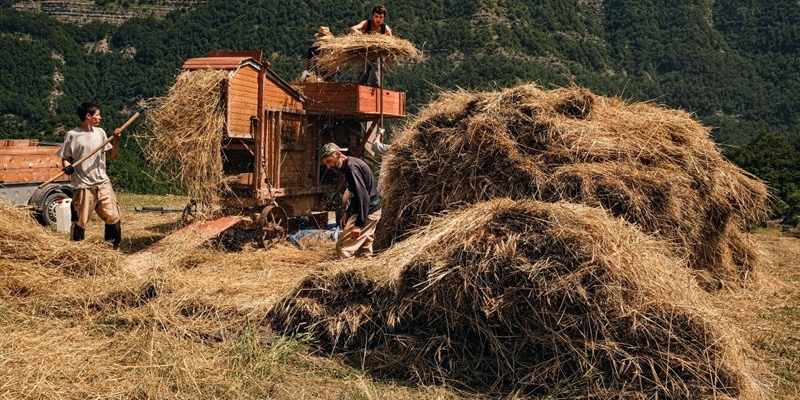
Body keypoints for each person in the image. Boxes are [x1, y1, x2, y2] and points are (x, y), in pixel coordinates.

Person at [56, 101, 123, 249]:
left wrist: (117, 141)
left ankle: (112, 249)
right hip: (83, 185)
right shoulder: (73, 135)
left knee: (113, 216)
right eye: (97, 115)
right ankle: (76, 251)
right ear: (88, 116)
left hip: (102, 182)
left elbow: (113, 155)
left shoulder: (100, 133)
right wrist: (67, 167)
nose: (100, 117)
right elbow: (65, 158)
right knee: (80, 221)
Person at [320, 142, 382, 259]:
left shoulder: (352, 169)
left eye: (329, 161)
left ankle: (345, 271)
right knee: (363, 251)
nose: (328, 166)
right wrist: (348, 212)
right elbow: (355, 194)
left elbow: (363, 196)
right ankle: (365, 269)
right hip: (373, 210)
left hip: (368, 212)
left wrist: (358, 224)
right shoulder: (351, 163)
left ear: (338, 154)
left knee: (343, 247)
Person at [350, 4, 392, 87]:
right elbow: (353, 28)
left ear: (383, 18)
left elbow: (391, 42)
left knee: (376, 77)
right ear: (373, 16)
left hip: (377, 55)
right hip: (365, 53)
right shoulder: (367, 23)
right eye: (376, 16)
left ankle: (375, 92)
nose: (378, 19)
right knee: (362, 75)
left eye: (381, 17)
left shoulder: (385, 29)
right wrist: (362, 36)